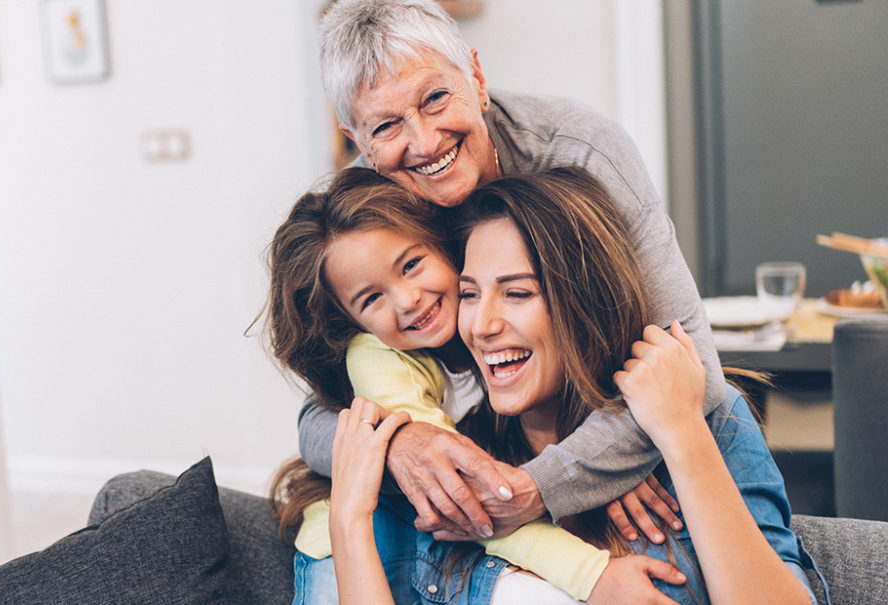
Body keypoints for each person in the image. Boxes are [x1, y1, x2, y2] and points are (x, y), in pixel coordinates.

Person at [297, 0, 723, 545]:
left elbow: (694, 373)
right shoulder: (362, 217)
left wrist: (548, 480)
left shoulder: (581, 152)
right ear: (358, 141)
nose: (424, 143)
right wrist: (400, 443)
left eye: (434, 98)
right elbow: (315, 420)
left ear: (476, 77)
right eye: (386, 125)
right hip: (482, 457)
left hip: (602, 451)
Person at [267, 167, 686, 604]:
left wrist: (609, 465)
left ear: (445, 246)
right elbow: (465, 497)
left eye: (411, 265)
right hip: (355, 538)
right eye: (372, 299)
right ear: (351, 320)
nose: (407, 300)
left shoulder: (486, 326)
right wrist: (593, 576)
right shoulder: (377, 358)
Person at [449, 169, 817, 603]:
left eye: (518, 293)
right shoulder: (458, 457)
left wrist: (682, 435)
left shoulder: (707, 420)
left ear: (587, 302)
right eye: (469, 294)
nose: (481, 326)